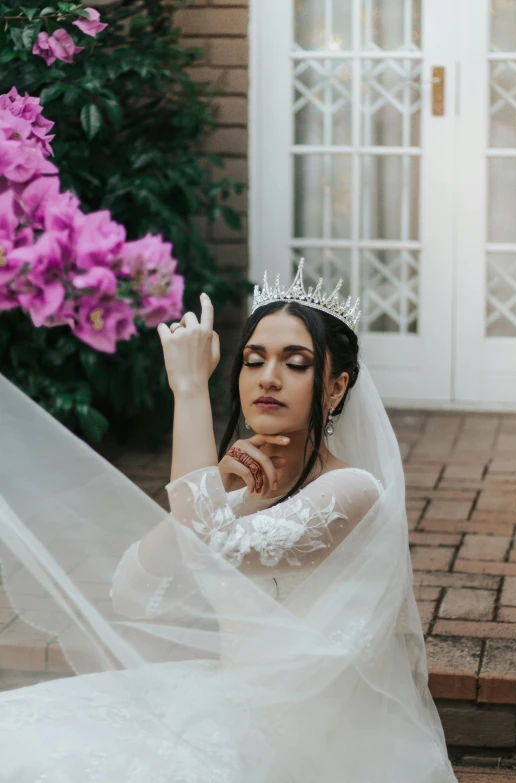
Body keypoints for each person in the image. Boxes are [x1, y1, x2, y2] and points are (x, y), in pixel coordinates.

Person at [0, 261, 457, 782]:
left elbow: (209, 542)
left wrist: (190, 390)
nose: (268, 377)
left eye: (297, 362)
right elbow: (131, 593)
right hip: (226, 704)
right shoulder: (231, 494)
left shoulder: (352, 491)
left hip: (305, 744)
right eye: (253, 359)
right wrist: (216, 479)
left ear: (335, 389)